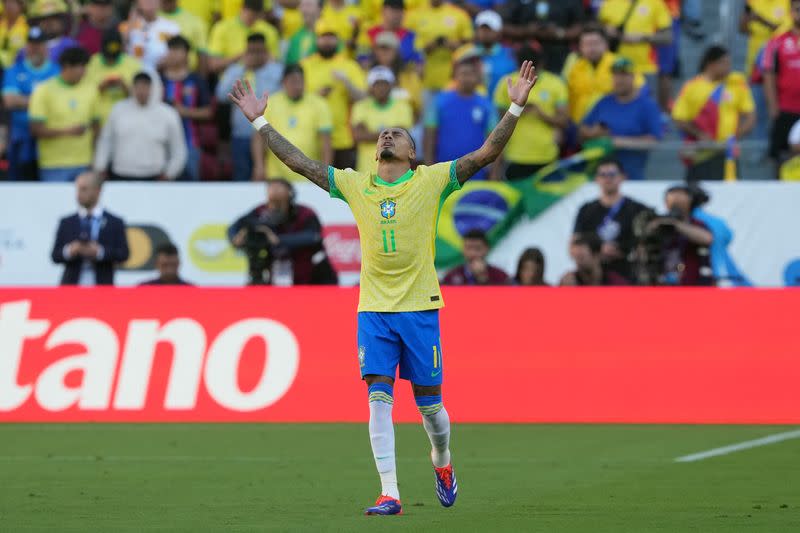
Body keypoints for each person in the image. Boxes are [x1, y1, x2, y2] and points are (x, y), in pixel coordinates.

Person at [228, 58, 537, 515]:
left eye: (398, 134)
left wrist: (513, 108)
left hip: (419, 306)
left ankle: (443, 462)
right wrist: (259, 119)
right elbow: (299, 162)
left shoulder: (433, 180)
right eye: (382, 135)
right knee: (378, 396)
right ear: (375, 153)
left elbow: (486, 154)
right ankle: (389, 491)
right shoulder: (355, 184)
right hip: (372, 308)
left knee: (431, 410)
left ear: (413, 153)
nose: (387, 136)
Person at [227, 178, 338, 285]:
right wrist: (235, 237)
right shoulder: (260, 211)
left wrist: (278, 239)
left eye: (278, 187)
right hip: (272, 268)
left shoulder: (305, 213)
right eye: (271, 187)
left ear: (290, 193)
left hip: (308, 272)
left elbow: (313, 236)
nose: (274, 190)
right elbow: (235, 226)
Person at [672, 46, 755, 181]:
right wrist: (700, 134)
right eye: (724, 63)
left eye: (729, 63)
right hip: (701, 153)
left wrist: (734, 136)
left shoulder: (737, 83)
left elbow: (750, 116)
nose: (729, 67)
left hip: (727, 154)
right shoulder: (692, 86)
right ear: (711, 64)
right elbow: (679, 118)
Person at [94, 71, 187, 180]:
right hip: (121, 175)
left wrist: (169, 173)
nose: (141, 91)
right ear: (132, 88)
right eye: (138, 87)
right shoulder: (118, 110)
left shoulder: (168, 114)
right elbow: (106, 141)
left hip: (155, 176)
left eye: (145, 87)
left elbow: (178, 149)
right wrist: (100, 166)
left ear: (154, 88)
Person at [580, 57, 662, 181]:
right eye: (615, 75)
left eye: (624, 75)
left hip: (631, 176)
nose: (619, 80)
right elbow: (582, 129)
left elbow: (653, 141)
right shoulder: (604, 102)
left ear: (634, 77)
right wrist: (593, 133)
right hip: (599, 177)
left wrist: (616, 142)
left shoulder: (647, 105)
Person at [493, 45, 568, 180]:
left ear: (541, 62)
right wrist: (517, 109)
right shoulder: (507, 83)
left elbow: (563, 121)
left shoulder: (555, 83)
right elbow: (498, 122)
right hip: (515, 156)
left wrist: (541, 113)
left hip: (546, 156)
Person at [217, 33, 283, 181]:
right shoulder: (236, 70)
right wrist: (244, 70)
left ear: (266, 52)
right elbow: (221, 95)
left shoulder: (277, 71)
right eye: (251, 51)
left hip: (269, 136)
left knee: (269, 179)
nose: (255, 55)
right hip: (242, 135)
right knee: (242, 178)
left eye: (258, 51)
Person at [301, 20, 366, 169]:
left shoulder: (349, 65)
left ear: (337, 40)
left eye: (331, 36)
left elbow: (363, 98)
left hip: (344, 138)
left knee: (345, 187)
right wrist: (316, 95)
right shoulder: (305, 65)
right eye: (323, 36)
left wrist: (347, 83)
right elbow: (295, 97)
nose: (327, 41)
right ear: (316, 39)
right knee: (317, 186)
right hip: (313, 139)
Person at [29, 46, 99, 183]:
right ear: (67, 67)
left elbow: (96, 126)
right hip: (53, 164)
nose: (85, 72)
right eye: (81, 67)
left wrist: (94, 157)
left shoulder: (91, 90)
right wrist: (68, 131)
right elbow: (35, 129)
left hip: (83, 163)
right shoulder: (44, 90)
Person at [252, 64, 332, 182]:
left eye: (300, 81)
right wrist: (259, 166)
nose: (297, 86)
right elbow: (258, 138)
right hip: (276, 176)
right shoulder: (269, 104)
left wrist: (327, 174)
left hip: (310, 175)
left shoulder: (319, 104)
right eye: (293, 82)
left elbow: (326, 143)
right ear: (284, 82)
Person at [572, 157, 649, 281]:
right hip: (592, 276)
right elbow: (573, 243)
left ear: (623, 176)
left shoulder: (637, 209)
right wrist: (597, 251)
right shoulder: (586, 209)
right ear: (596, 179)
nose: (607, 178)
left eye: (612, 174)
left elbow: (647, 244)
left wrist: (624, 251)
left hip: (627, 274)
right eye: (603, 175)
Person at [50, 171, 130, 286]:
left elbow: (124, 254)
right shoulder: (67, 222)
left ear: (97, 191)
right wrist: (70, 250)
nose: (78, 194)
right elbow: (55, 255)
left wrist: (99, 252)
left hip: (102, 287)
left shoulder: (115, 222)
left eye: (84, 189)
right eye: (77, 189)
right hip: (71, 287)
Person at [2, 26, 59, 181]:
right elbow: (9, 100)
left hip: (49, 137)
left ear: (45, 47)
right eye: (32, 45)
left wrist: (24, 99)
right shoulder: (14, 70)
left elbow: (59, 102)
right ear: (26, 47)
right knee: (20, 181)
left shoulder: (56, 71)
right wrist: (43, 102)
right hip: (20, 138)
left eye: (39, 45)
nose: (35, 49)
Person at [425, 59, 497, 180]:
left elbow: (495, 140)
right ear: (455, 77)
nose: (466, 78)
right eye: (463, 74)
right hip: (444, 173)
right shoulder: (439, 102)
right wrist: (428, 167)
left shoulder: (486, 105)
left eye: (470, 74)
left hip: (476, 173)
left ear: (477, 78)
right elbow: (429, 137)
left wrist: (494, 173)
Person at [564, 25, 646, 124]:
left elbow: (640, 90)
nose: (591, 48)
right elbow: (568, 99)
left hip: (613, 125)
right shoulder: (575, 68)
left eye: (595, 43)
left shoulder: (619, 63)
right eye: (587, 44)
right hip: (581, 127)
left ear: (606, 45)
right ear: (580, 47)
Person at [161, 36, 213, 181]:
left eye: (178, 50)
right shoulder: (158, 81)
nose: (174, 54)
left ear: (186, 54)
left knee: (191, 185)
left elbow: (208, 112)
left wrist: (185, 112)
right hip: (163, 144)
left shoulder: (196, 80)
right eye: (171, 50)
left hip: (191, 142)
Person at [645, 185, 714, 286]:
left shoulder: (697, 224)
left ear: (690, 202)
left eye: (681, 198)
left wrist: (676, 225)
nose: (677, 202)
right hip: (660, 283)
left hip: (692, 283)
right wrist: (657, 226)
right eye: (673, 198)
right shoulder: (658, 221)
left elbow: (707, 239)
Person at [351, 66, 414, 173]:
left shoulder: (403, 107)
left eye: (384, 83)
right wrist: (392, 133)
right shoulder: (360, 106)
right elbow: (358, 135)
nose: (381, 88)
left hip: (396, 173)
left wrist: (370, 134)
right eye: (377, 84)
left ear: (391, 86)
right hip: (367, 172)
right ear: (371, 87)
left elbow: (403, 136)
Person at [598, 0, 672, 90]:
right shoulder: (609, 3)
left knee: (645, 102)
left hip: (646, 68)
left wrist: (643, 37)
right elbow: (595, 32)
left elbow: (667, 37)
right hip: (615, 68)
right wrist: (606, 31)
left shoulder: (654, 2)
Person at [762, 0, 800, 170]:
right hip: (786, 110)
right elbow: (768, 74)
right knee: (781, 160)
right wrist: (773, 107)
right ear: (791, 12)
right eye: (798, 9)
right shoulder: (777, 41)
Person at [407, 0, 473, 94]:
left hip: (452, 81)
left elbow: (469, 46)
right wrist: (426, 48)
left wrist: (454, 46)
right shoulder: (414, 15)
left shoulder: (459, 14)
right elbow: (407, 47)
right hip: (424, 80)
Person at [502, 0, 585, 73]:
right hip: (525, 59)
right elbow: (504, 26)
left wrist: (559, 33)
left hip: (559, 57)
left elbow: (580, 25)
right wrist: (526, 30)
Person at [85, 29, 143, 125]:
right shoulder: (92, 63)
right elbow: (82, 94)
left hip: (127, 121)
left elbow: (141, 96)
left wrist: (125, 87)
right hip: (99, 122)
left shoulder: (134, 65)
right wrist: (100, 87)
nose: (111, 60)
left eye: (114, 57)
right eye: (108, 57)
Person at [207, 0, 280, 74]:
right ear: (242, 9)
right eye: (250, 15)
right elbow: (214, 65)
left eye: (256, 16)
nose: (252, 19)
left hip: (262, 79)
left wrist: (261, 56)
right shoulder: (222, 28)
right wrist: (241, 56)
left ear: (261, 14)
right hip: (232, 81)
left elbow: (276, 64)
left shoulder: (270, 31)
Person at [368, 31, 423, 119]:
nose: (384, 52)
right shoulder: (367, 74)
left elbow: (417, 108)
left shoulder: (409, 77)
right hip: (373, 125)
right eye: (381, 48)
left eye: (388, 48)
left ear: (397, 51)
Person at [358, 0, 421, 68]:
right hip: (376, 76)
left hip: (403, 77)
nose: (397, 14)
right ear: (383, 11)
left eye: (400, 10)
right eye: (393, 10)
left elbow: (420, 64)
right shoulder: (369, 34)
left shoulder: (412, 36)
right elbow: (362, 61)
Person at [122, 0, 180, 70]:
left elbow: (177, 53)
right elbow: (121, 51)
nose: (149, 2)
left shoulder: (171, 27)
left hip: (162, 72)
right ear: (138, 3)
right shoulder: (126, 27)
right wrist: (131, 20)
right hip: (133, 72)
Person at [441, 229, 511, 285]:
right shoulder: (452, 275)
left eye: (477, 248)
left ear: (487, 249)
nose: (473, 253)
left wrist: (483, 279)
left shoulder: (499, 276)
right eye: (468, 248)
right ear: (463, 249)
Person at [472, 10, 516, 95]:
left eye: (489, 29)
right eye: (482, 29)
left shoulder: (511, 54)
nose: (485, 32)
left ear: (499, 32)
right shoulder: (468, 53)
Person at [560, 232, 629, 286]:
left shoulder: (617, 283)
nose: (578, 263)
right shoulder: (569, 283)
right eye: (575, 258)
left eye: (581, 256)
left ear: (597, 255)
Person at [285, 0, 321, 65]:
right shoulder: (295, 36)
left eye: (308, 5)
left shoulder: (328, 33)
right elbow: (289, 62)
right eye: (302, 6)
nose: (304, 10)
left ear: (319, 9)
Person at [0, 0, 28, 68]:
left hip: (18, 67)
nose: (9, 6)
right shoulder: (1, 23)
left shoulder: (27, 25)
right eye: (6, 3)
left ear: (21, 6)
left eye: (13, 3)